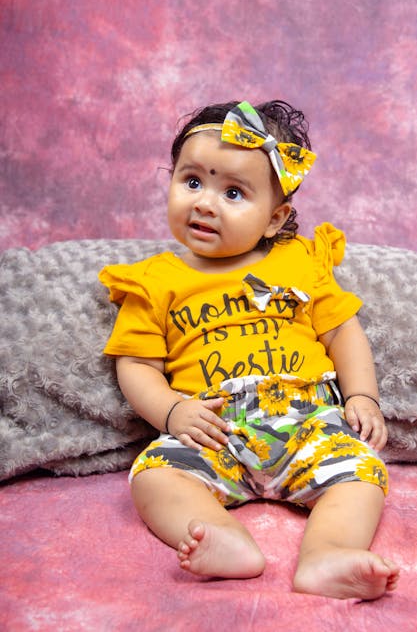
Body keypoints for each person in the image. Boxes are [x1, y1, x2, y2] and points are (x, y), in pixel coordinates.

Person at [99, 100, 400, 600]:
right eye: (191, 181)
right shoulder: (153, 281)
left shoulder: (299, 262)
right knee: (154, 476)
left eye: (233, 192)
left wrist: (362, 397)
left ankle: (329, 552)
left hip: (308, 423)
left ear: (273, 218)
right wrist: (173, 411)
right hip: (213, 430)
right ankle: (224, 539)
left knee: (362, 474)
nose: (204, 203)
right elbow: (136, 364)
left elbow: (343, 333)